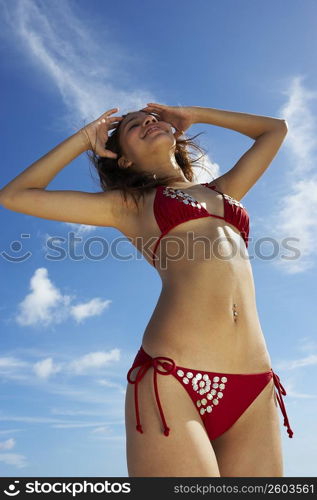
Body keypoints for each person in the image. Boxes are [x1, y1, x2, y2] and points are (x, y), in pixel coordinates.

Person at [0, 102, 292, 477]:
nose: (148, 123)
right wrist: (85, 139)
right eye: (133, 127)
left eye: (152, 119)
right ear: (123, 161)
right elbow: (15, 195)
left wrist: (196, 115)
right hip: (173, 380)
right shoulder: (128, 206)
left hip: (255, 384)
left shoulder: (226, 191)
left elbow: (275, 131)